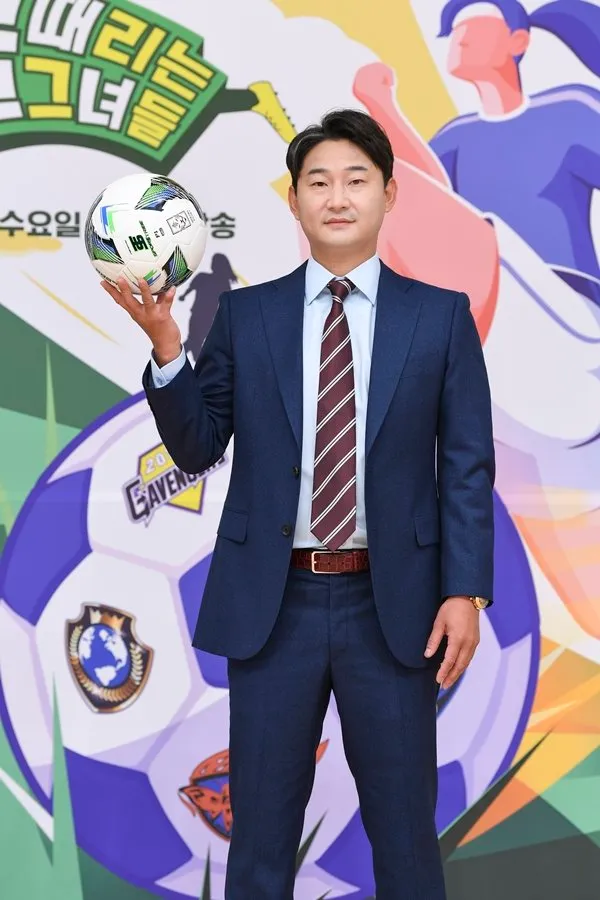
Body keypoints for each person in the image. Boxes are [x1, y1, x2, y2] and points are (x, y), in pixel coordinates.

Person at [102, 109, 495, 900]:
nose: (337, 197)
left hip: (394, 606)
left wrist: (465, 590)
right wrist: (168, 345)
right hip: (274, 604)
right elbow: (197, 446)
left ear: (389, 194)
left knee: (405, 837)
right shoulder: (249, 316)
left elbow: (464, 464)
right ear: (294, 201)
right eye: (318, 182)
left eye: (356, 180)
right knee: (260, 837)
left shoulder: (439, 317)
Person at [430, 0, 600, 305]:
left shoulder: (572, 110)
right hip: (482, 301)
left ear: (517, 41)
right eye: (455, 31)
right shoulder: (451, 138)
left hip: (571, 295)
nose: (461, 39)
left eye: (475, 29)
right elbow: (417, 210)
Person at [179, 252, 238, 362]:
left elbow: (226, 302)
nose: (212, 264)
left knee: (194, 341)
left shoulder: (223, 283)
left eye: (214, 262)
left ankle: (196, 365)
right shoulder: (203, 277)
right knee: (194, 341)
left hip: (208, 318)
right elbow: (191, 288)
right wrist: (184, 295)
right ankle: (197, 365)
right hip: (197, 315)